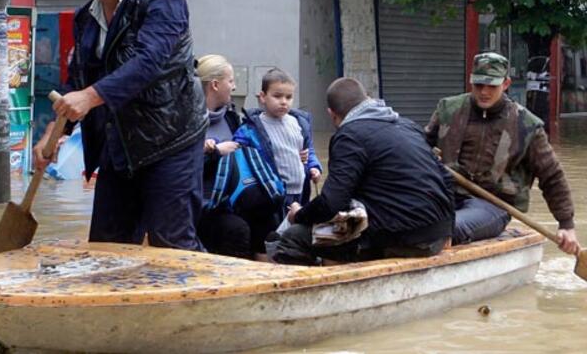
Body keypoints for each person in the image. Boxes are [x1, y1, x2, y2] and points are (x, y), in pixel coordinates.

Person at [33, 0, 208, 250]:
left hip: (173, 140)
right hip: (121, 145)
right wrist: (55, 130)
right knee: (106, 246)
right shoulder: (85, 18)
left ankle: (207, 296)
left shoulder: (164, 2)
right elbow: (78, 80)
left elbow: (147, 63)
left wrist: (89, 97)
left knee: (170, 242)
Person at [272, 77, 455, 266]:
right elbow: (446, 179)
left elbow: (331, 203)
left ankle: (309, 293)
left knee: (295, 236)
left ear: (332, 114)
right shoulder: (408, 126)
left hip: (398, 239)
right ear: (368, 99)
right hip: (437, 234)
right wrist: (449, 228)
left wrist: (299, 215)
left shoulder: (349, 136)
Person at [424, 52, 579, 255]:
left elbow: (552, 176)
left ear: (506, 84)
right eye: (479, 85)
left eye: (492, 86)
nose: (484, 92)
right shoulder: (448, 109)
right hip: (444, 195)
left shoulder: (527, 126)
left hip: (491, 206)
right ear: (471, 82)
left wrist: (566, 224)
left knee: (442, 230)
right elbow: (420, 149)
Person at [232, 68, 322, 254]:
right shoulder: (251, 128)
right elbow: (238, 152)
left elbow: (308, 150)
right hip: (271, 193)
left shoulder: (299, 123)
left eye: (288, 97)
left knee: (295, 233)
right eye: (277, 96)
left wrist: (313, 166)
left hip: (299, 191)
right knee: (271, 235)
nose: (283, 102)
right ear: (262, 97)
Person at [194, 54, 252, 258]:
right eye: (231, 81)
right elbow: (181, 167)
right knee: (237, 230)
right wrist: (215, 152)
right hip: (200, 208)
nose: (234, 87)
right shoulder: (187, 120)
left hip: (231, 201)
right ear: (215, 85)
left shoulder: (231, 116)